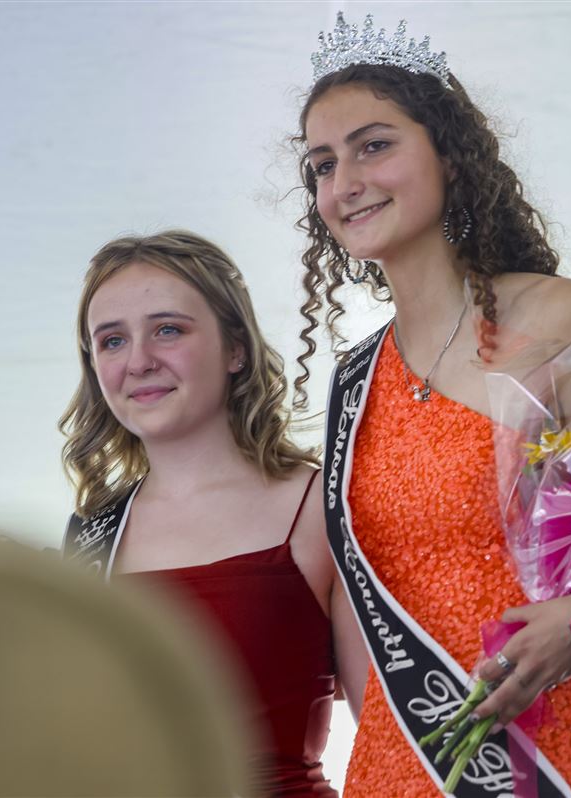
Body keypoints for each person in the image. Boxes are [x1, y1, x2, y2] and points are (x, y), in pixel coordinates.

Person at [292, 14, 571, 797]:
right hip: (396, 758)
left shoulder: (563, 318)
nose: (345, 182)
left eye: (374, 145)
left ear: (447, 151)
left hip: (545, 754)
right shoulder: (350, 383)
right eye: (321, 164)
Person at [59, 230, 367, 797]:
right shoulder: (91, 534)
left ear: (235, 348)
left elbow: (384, 730)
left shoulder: (321, 506)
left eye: (168, 330)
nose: (139, 361)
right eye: (111, 341)